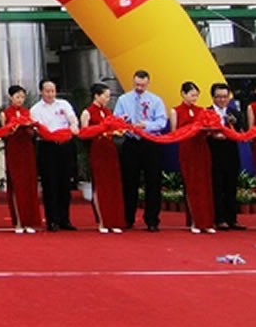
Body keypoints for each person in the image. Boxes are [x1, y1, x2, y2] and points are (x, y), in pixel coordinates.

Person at [113, 70, 168, 231]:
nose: (139, 88)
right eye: (137, 84)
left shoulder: (156, 100)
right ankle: (127, 218)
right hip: (131, 141)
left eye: (142, 85)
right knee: (129, 181)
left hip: (151, 142)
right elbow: (116, 118)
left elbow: (162, 122)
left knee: (153, 182)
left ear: (148, 83)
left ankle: (152, 220)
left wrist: (146, 125)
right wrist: (124, 122)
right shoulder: (123, 99)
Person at [29, 79, 79, 231]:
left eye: (53, 91)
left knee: (65, 184)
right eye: (47, 91)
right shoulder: (36, 109)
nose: (50, 94)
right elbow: (38, 129)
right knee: (50, 184)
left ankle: (65, 219)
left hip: (64, 146)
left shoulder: (64, 104)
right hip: (47, 147)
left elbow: (72, 119)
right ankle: (52, 220)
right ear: (41, 92)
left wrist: (74, 126)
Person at [170, 82, 215, 234]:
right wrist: (189, 130)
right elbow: (174, 132)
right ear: (183, 94)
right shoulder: (175, 111)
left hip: (202, 149)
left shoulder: (202, 110)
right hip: (187, 149)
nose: (194, 98)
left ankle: (207, 222)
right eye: (192, 95)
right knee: (192, 185)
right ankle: (196, 221)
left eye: (196, 95)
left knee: (205, 185)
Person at [81, 83, 124, 233]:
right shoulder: (87, 112)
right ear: (96, 96)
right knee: (100, 184)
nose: (107, 99)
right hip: (97, 150)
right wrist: (101, 130)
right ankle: (102, 221)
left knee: (113, 184)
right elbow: (84, 133)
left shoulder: (108, 112)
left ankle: (114, 220)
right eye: (105, 96)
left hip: (110, 149)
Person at [0, 85, 41, 233]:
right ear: (10, 97)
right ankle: (18, 221)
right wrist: (13, 127)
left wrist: (30, 127)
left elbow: (33, 132)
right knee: (17, 185)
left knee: (28, 185)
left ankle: (29, 221)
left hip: (27, 150)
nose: (20, 100)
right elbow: (3, 134)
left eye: (22, 97)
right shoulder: (5, 114)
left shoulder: (26, 112)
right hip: (14, 150)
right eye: (17, 97)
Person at [208, 81, 244, 231]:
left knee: (231, 187)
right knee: (217, 186)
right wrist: (213, 135)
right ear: (213, 97)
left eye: (225, 96)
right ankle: (219, 219)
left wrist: (233, 126)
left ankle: (232, 219)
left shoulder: (234, 113)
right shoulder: (207, 113)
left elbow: (241, 131)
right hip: (214, 154)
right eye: (219, 97)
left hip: (231, 154)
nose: (222, 100)